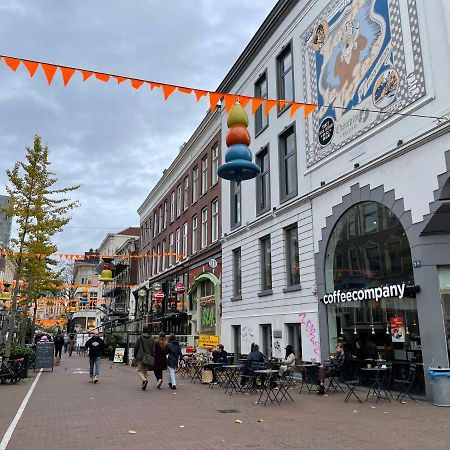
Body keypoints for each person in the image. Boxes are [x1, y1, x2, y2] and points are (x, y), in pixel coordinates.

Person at [133, 326, 155, 390]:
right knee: (145, 370)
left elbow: (136, 347)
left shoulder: (140, 337)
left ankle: (144, 380)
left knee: (139, 370)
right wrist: (152, 356)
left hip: (140, 356)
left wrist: (135, 355)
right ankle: (144, 384)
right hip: (148, 356)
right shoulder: (152, 338)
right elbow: (153, 349)